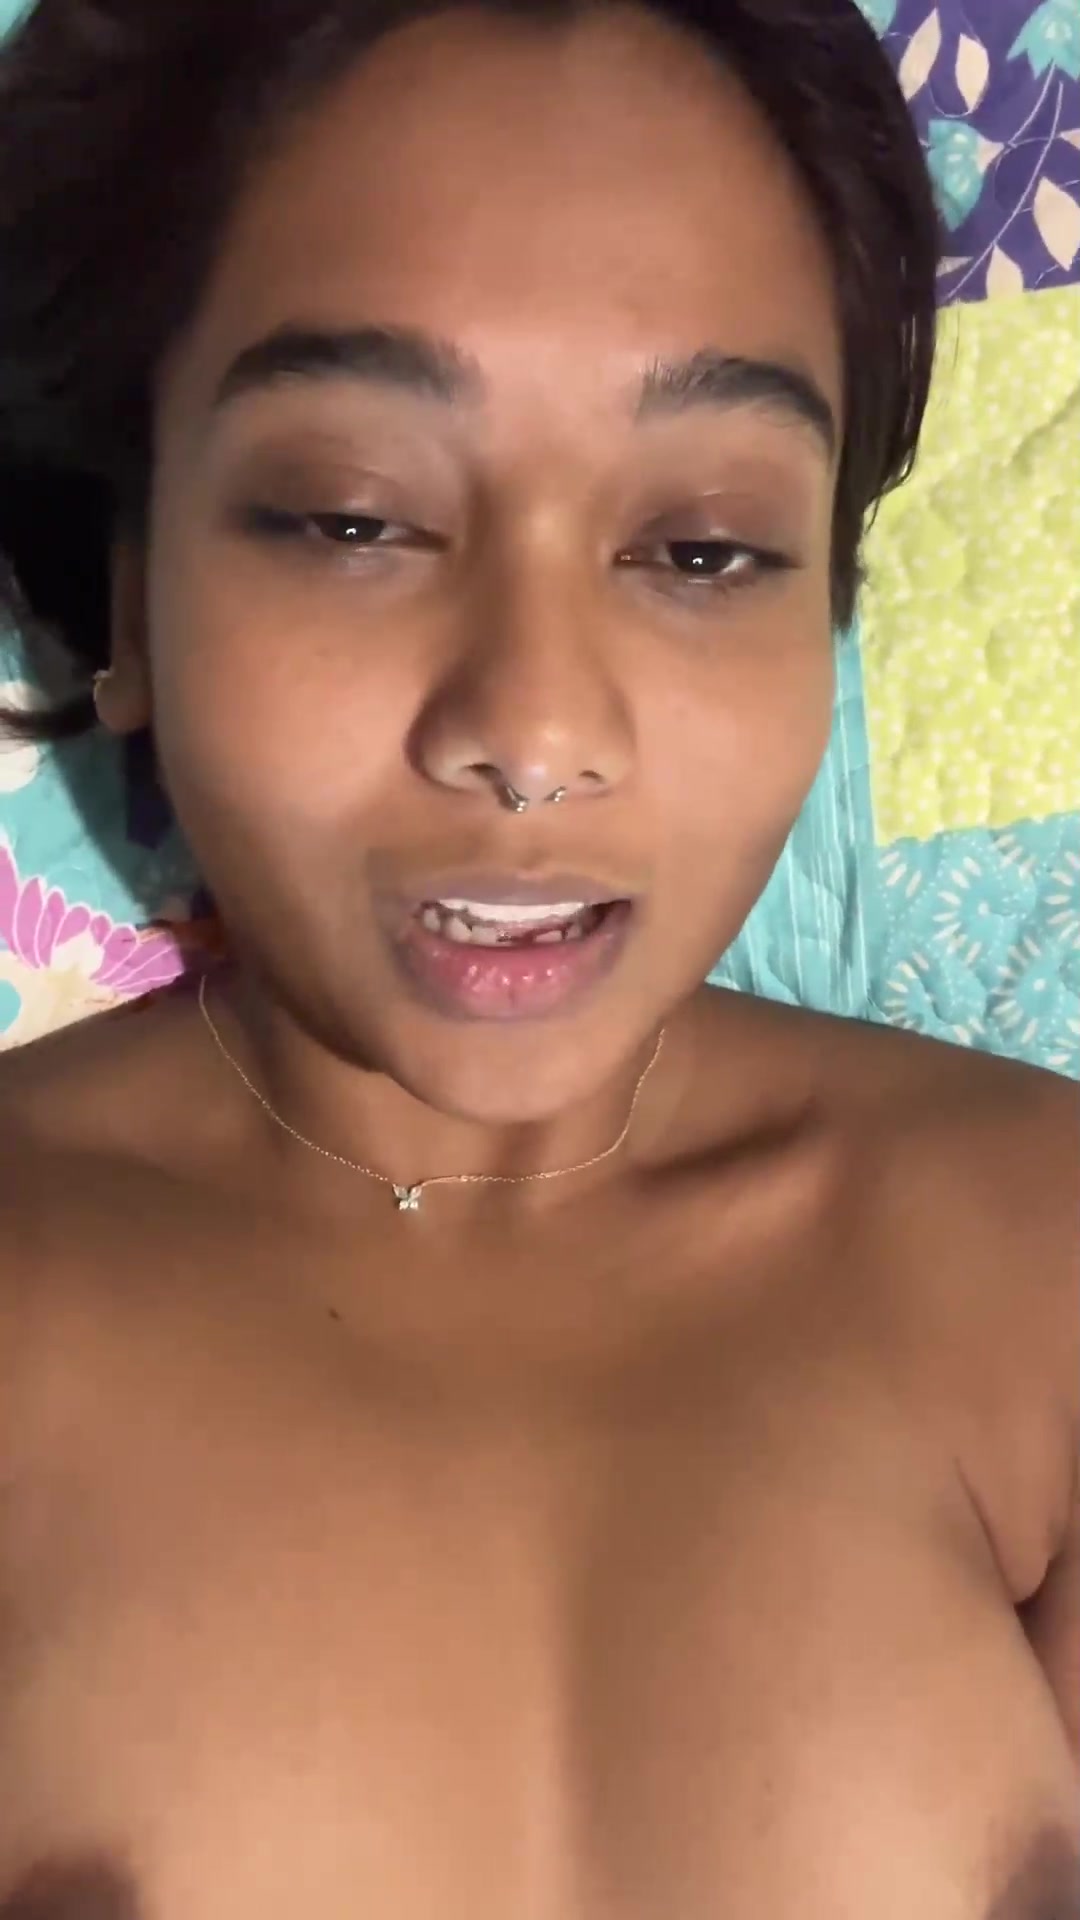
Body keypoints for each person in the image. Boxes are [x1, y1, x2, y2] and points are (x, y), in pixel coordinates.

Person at [0, 0, 1076, 1913]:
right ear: (129, 601)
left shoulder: (1039, 1265)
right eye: (356, 519)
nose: (534, 727)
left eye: (705, 549)